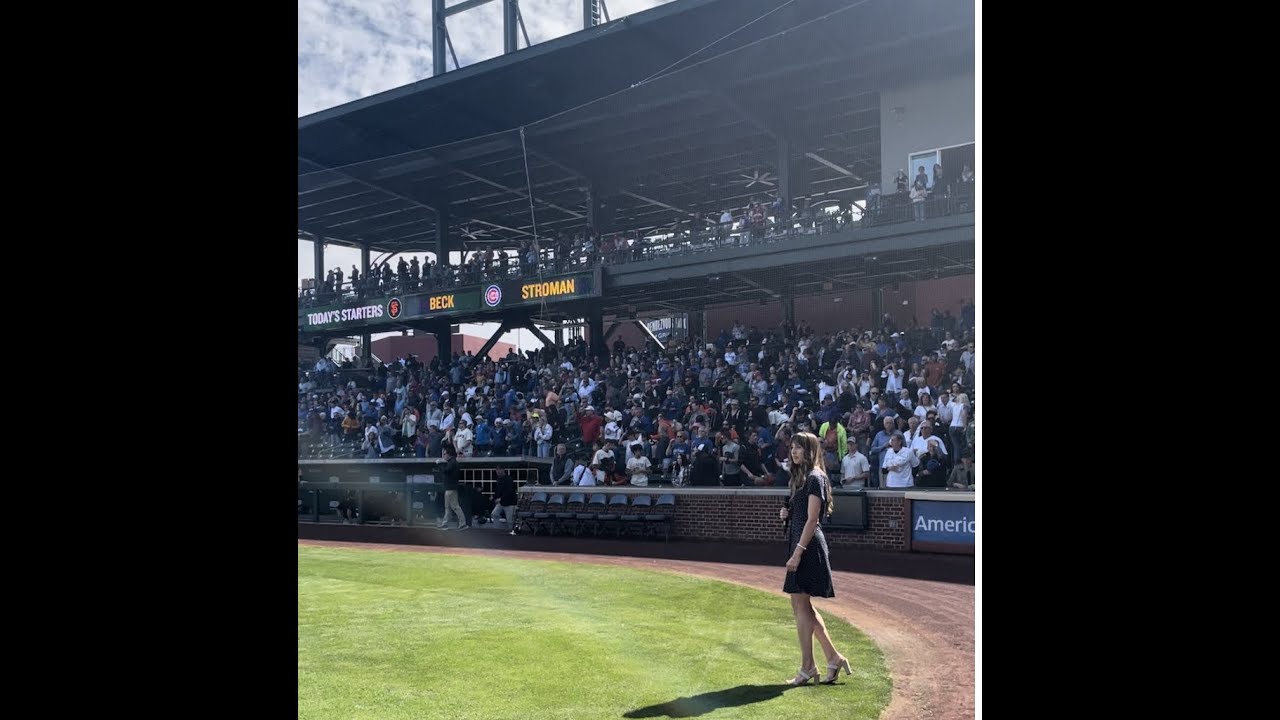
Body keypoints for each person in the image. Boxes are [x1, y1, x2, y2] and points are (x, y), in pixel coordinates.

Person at [777, 432, 851, 686]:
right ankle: (833, 658)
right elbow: (801, 514)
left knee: (800, 607)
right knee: (803, 607)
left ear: (810, 451)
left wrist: (797, 552)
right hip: (801, 544)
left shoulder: (815, 477)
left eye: (799, 447)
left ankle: (808, 667)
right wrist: (787, 512)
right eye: (792, 447)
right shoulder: (800, 478)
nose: (794, 451)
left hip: (807, 548)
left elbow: (813, 519)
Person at [436, 447, 469, 530]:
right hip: (449, 488)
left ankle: (463, 523)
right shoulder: (451, 462)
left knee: (455, 506)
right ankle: (445, 523)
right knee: (448, 507)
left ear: (449, 454)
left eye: (445, 454)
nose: (444, 456)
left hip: (451, 488)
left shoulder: (453, 462)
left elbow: (446, 471)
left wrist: (439, 464)